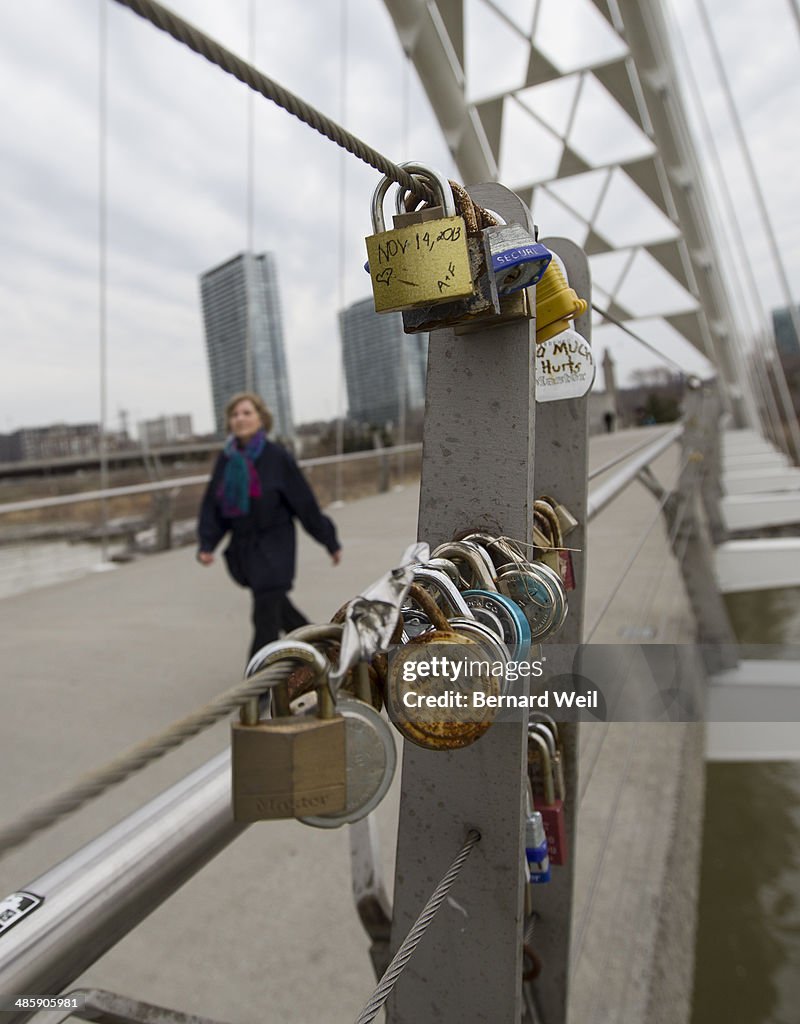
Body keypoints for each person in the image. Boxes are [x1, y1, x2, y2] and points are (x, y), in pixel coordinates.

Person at [197, 392, 341, 658]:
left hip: (276, 547)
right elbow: (214, 506)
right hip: (245, 550)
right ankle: (326, 650)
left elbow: (304, 503)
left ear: (261, 419)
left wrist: (328, 540)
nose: (240, 418)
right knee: (280, 610)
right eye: (234, 414)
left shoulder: (277, 456)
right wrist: (207, 543)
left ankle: (259, 688)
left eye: (246, 413)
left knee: (265, 618)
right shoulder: (226, 460)